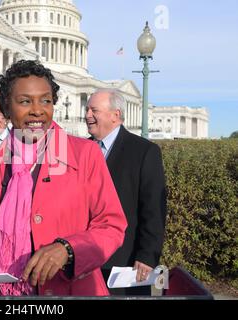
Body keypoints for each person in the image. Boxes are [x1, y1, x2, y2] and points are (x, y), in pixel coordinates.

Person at [0, 60, 127, 296]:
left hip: (68, 291)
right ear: (6, 109)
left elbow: (111, 226)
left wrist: (68, 250)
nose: (37, 110)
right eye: (24, 101)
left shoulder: (85, 154)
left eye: (46, 100)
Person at [85, 88, 167, 295]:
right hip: (84, 261)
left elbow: (153, 209)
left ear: (116, 115)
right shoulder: (81, 149)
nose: (87, 115)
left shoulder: (143, 151)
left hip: (126, 263)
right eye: (87, 110)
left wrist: (147, 255)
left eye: (94, 110)